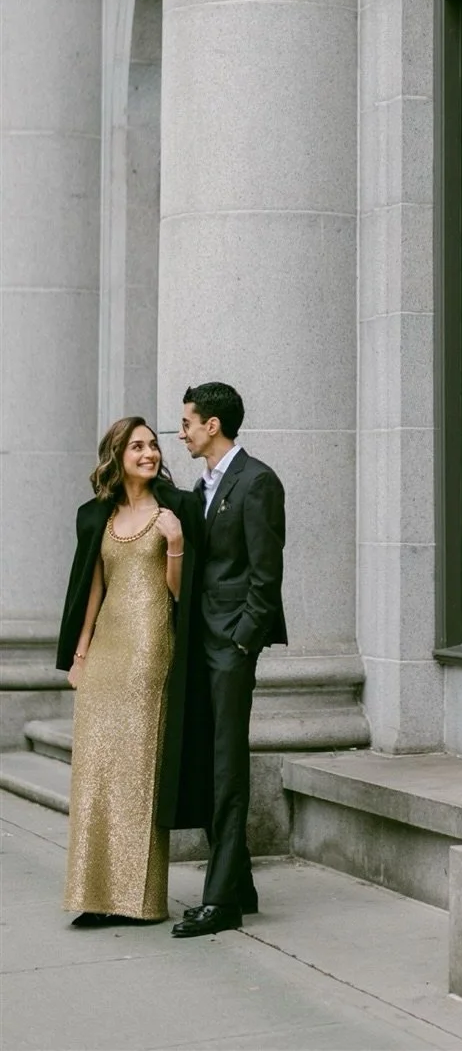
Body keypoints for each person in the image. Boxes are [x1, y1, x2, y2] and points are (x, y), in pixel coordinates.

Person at [56, 417, 207, 927]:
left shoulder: (178, 509)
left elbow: (183, 595)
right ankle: (94, 896)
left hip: (151, 649)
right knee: (96, 769)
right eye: (138, 446)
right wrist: (80, 657)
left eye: (154, 445)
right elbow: (92, 590)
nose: (150, 453)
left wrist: (176, 543)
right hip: (106, 650)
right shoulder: (95, 515)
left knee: (139, 771)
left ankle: (139, 901)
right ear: (117, 455)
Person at [171, 382, 287, 939]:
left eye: (188, 422)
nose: (182, 432)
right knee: (210, 761)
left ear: (212, 425)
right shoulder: (205, 483)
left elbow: (266, 575)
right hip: (204, 645)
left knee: (227, 767)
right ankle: (240, 884)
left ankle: (221, 901)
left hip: (230, 648)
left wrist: (243, 641)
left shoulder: (258, 481)